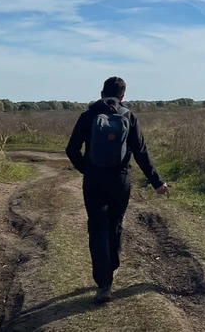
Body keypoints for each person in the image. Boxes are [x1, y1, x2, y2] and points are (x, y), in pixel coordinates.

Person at [66, 76, 169, 303]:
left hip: (94, 179)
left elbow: (71, 149)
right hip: (120, 180)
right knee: (114, 225)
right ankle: (111, 270)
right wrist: (157, 182)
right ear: (123, 96)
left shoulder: (88, 115)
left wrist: (87, 169)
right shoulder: (128, 116)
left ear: (102, 92)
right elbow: (141, 152)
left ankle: (103, 283)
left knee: (96, 226)